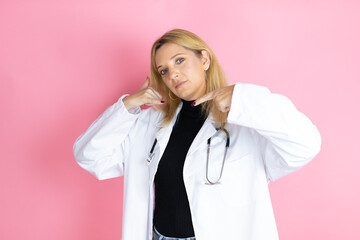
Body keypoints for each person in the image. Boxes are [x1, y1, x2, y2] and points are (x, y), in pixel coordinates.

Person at [73, 28, 321, 240]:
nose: (173, 74)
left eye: (179, 60)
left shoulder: (246, 121)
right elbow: (90, 156)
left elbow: (306, 144)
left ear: (204, 59)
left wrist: (242, 98)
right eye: (163, 71)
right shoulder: (149, 124)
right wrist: (127, 106)